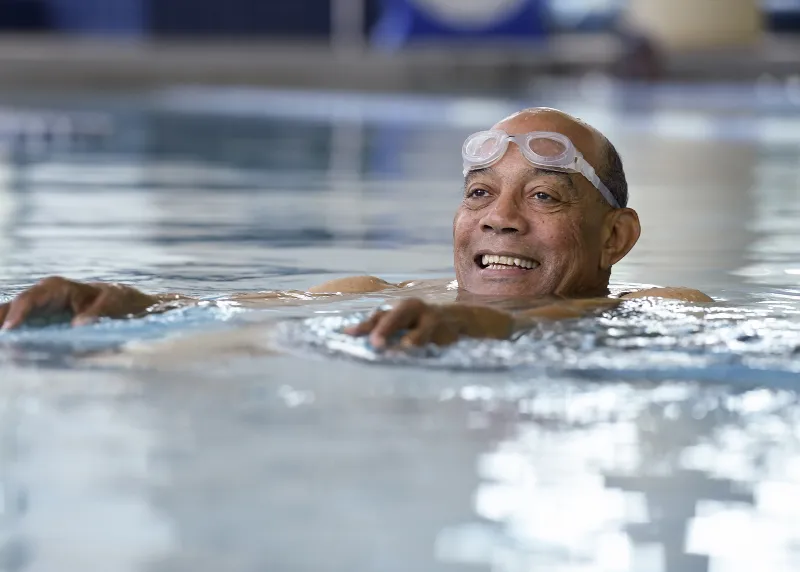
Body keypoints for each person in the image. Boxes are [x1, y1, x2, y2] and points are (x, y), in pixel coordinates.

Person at [0, 107, 711, 347]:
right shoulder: (372, 295)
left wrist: (485, 329)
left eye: (546, 197)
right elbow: (216, 315)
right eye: (479, 192)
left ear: (616, 238)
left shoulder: (665, 310)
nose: (499, 217)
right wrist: (130, 303)